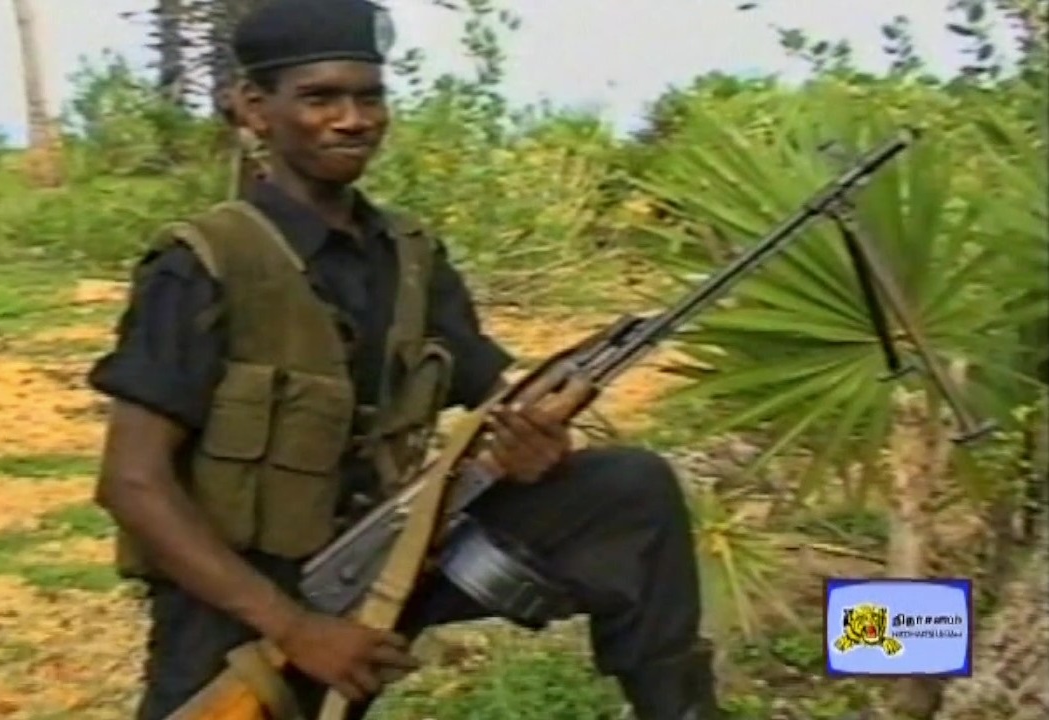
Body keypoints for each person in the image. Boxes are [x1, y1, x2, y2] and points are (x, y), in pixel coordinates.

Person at [87, 0, 721, 718]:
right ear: (255, 110)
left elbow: (498, 404)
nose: (352, 119)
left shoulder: (410, 256)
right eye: (320, 98)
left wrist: (532, 445)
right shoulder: (203, 263)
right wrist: (294, 628)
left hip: (392, 558)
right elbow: (132, 482)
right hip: (237, 604)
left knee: (629, 489)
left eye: (369, 97)